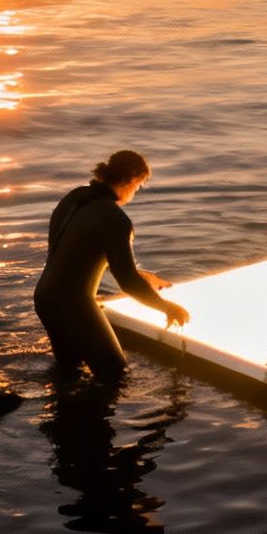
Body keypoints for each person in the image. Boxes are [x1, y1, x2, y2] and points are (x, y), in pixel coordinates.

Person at [33, 150, 189, 375]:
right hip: (73, 305)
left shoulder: (74, 198)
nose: (136, 191)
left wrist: (144, 277)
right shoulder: (116, 219)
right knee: (114, 372)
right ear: (132, 180)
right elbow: (127, 282)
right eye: (139, 186)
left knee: (69, 370)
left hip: (45, 298)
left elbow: (72, 257)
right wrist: (167, 307)